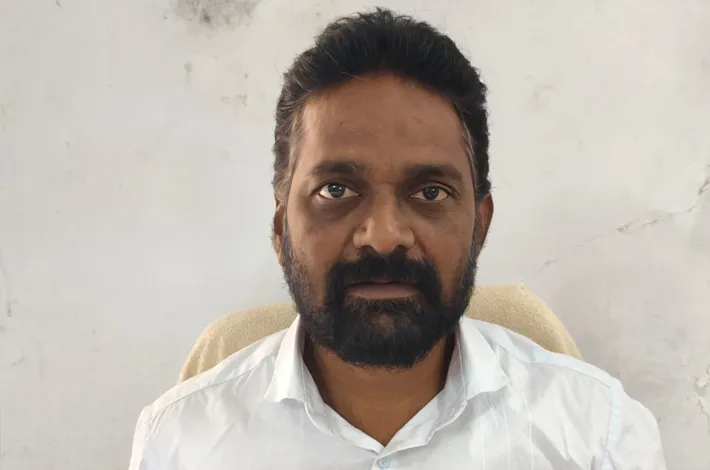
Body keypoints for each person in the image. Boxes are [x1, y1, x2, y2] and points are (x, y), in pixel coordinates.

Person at [128, 8, 666, 469]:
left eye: (430, 192)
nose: (384, 237)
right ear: (279, 226)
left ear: (479, 225)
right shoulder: (180, 442)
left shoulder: (597, 435)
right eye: (336, 189)